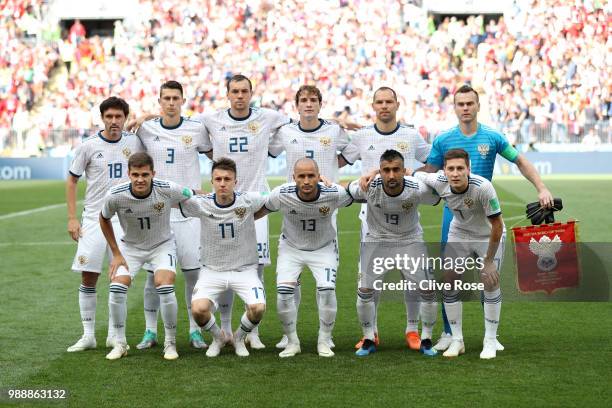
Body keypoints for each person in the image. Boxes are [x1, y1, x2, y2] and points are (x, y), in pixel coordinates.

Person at [419, 84, 553, 352]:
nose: (466, 108)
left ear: (478, 106)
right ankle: (449, 332)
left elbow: (520, 160)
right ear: (454, 107)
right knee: (450, 276)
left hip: (486, 216)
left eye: (470, 103)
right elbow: (428, 171)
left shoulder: (492, 137)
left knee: (488, 275)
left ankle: (491, 334)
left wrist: (541, 187)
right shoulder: (444, 139)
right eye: (461, 104)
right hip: (454, 217)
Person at [195, 74, 291, 349]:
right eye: (235, 91)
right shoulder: (211, 119)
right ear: (227, 94)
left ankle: (253, 332)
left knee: (255, 267)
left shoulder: (269, 117)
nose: (239, 96)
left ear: (251, 93)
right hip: (223, 205)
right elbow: (189, 130)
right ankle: (225, 329)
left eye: (244, 91)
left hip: (255, 203)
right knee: (224, 264)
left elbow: (293, 126)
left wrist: (271, 150)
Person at [340, 86, 431, 351]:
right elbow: (341, 163)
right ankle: (371, 333)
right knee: (370, 279)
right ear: (373, 105)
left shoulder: (411, 135)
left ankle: (413, 330)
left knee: (411, 277)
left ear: (397, 104)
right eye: (379, 102)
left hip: (405, 214)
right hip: (371, 217)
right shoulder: (361, 136)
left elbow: (431, 163)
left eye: (388, 101)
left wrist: (417, 172)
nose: (384, 106)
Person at [268, 84, 350, 349]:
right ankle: (288, 334)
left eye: (313, 100)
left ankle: (325, 335)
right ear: (297, 105)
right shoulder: (286, 131)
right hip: (295, 205)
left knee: (324, 280)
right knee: (292, 278)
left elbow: (349, 154)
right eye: (303, 100)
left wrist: (326, 178)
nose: (308, 104)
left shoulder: (334, 130)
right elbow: (268, 149)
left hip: (325, 206)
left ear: (320, 103)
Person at [135, 80, 209, 350]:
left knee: (192, 274)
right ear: (159, 101)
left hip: (188, 213)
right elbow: (130, 129)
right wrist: (142, 117)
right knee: (153, 277)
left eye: (175, 98)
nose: (170, 102)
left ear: (182, 100)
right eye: (166, 98)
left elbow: (215, 154)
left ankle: (194, 331)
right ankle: (149, 332)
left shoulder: (196, 129)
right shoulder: (146, 129)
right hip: (157, 215)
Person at [66, 96, 144, 352]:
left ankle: (114, 334)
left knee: (120, 275)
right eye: (109, 117)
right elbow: (72, 180)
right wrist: (72, 218)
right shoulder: (88, 146)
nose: (113, 121)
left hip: (125, 219)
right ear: (102, 118)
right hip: (93, 218)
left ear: (125, 118)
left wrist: (146, 117)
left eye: (118, 117)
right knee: (89, 276)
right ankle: (88, 335)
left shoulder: (134, 141)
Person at [99, 152, 195, 360]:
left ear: (153, 173)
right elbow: (103, 218)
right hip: (130, 248)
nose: (140, 179)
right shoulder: (116, 194)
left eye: (144, 174)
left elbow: (191, 194)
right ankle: (120, 343)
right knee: (117, 287)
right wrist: (115, 253)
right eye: (135, 175)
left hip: (162, 245)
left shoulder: (167, 188)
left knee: (165, 285)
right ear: (129, 174)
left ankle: (170, 343)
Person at [255, 158, 353, 357]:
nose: (306, 181)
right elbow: (261, 210)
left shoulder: (333, 193)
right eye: (301, 176)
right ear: (294, 178)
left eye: (311, 176)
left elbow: (356, 193)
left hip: (324, 247)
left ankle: (324, 339)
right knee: (283, 292)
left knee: (326, 290)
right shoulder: (282, 194)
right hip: (291, 248)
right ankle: (292, 341)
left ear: (319, 177)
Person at [348, 149, 440, 356]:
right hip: (376, 241)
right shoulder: (368, 186)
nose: (391, 175)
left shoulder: (417, 188)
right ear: (379, 171)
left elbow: (436, 196)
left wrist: (416, 174)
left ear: (404, 170)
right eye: (386, 170)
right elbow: (344, 191)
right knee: (364, 292)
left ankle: (425, 339)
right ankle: (369, 338)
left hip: (410, 241)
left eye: (396, 170)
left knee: (428, 290)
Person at [415, 148, 505, 359]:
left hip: (487, 235)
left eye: (460, 168)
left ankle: (490, 340)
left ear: (468, 169)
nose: (455, 173)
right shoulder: (438, 180)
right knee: (449, 283)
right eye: (451, 169)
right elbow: (418, 174)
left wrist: (489, 261)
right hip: (460, 232)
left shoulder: (483, 187)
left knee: (490, 282)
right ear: (444, 170)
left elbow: (497, 226)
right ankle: (457, 340)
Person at [179, 158, 268, 358]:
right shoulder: (201, 204)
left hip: (244, 270)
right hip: (212, 270)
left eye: (227, 179)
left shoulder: (249, 200)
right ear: (211, 181)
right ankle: (218, 337)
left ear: (235, 182)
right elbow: (173, 200)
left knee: (258, 308)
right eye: (218, 179)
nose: (222, 183)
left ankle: (238, 337)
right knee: (198, 310)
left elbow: (275, 199)